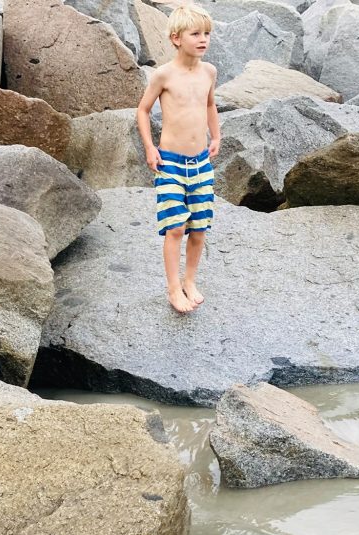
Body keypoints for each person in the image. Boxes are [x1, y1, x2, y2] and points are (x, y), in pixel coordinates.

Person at [136, 4, 220, 314]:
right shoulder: (163, 75)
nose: (203, 39)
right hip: (170, 162)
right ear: (175, 38)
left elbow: (210, 105)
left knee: (198, 228)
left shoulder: (209, 72)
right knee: (175, 228)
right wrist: (149, 147)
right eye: (195, 33)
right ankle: (173, 288)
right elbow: (143, 110)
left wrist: (217, 136)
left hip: (200, 163)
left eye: (207, 33)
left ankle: (190, 280)